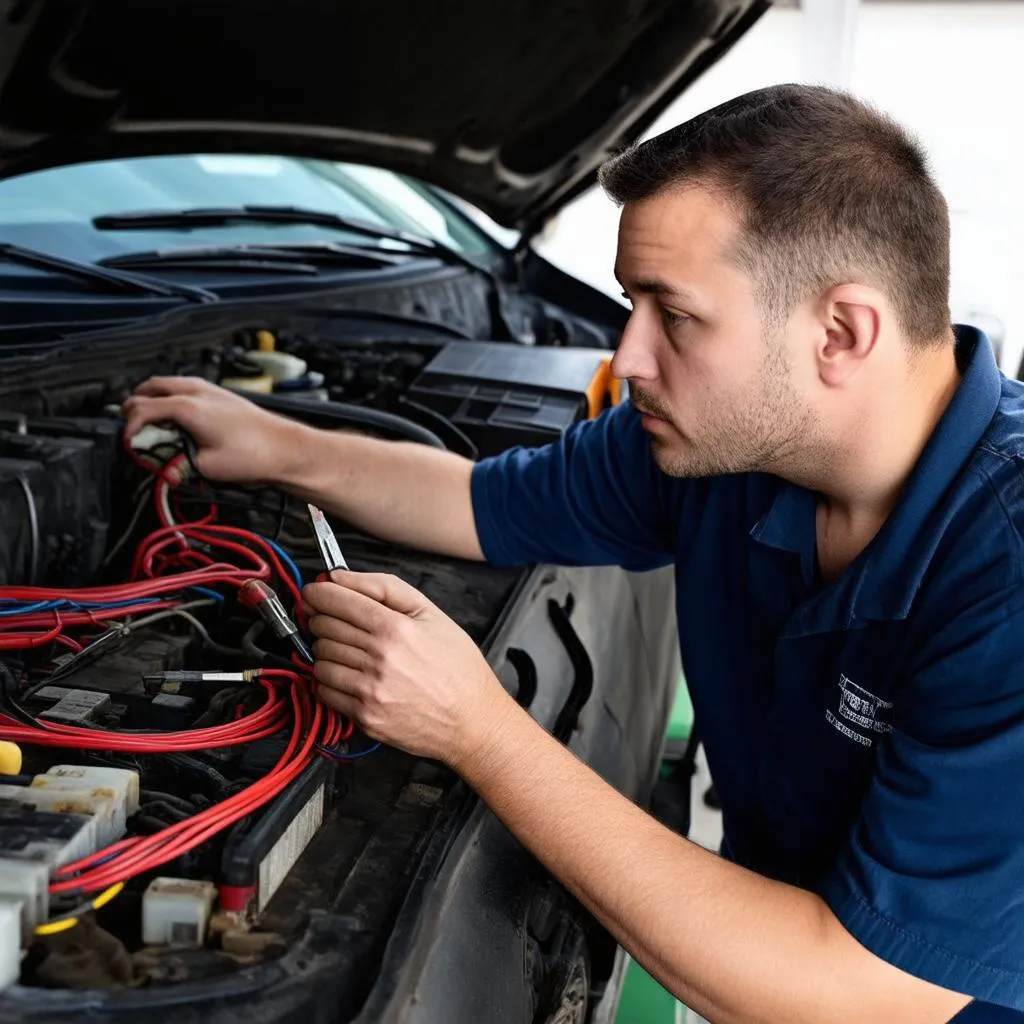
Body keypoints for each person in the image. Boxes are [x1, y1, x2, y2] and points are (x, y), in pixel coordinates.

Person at [121, 84, 1024, 1023]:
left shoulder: (1004, 573)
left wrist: (476, 726)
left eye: (671, 314)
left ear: (840, 332)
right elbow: (484, 504)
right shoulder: (725, 442)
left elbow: (852, 992)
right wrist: (281, 447)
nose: (627, 354)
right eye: (630, 303)